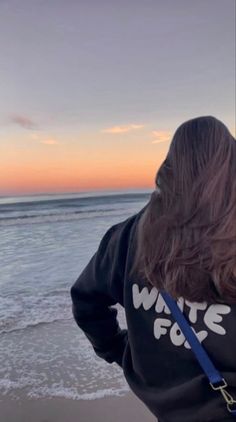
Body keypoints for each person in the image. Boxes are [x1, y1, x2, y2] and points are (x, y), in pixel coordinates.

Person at [70, 116, 236, 421]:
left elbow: (86, 302)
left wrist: (121, 353)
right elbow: (86, 300)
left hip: (166, 407)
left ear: (170, 165)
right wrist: (118, 350)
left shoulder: (127, 236)